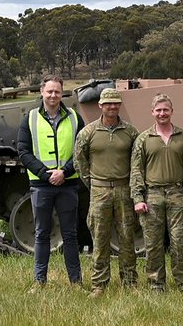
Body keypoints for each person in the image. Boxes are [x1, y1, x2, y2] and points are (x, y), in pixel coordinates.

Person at [16, 74, 84, 291]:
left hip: (68, 183)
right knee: (42, 234)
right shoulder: (30, 118)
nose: (53, 95)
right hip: (41, 185)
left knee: (70, 235)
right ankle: (39, 282)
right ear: (42, 92)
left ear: (62, 92)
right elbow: (23, 151)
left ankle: (76, 282)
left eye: (57, 91)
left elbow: (81, 150)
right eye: (49, 91)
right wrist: (46, 174)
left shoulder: (74, 117)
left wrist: (64, 172)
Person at [73, 87, 139, 296]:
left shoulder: (130, 132)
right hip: (99, 190)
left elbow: (137, 163)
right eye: (108, 103)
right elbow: (79, 161)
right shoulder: (88, 132)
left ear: (120, 105)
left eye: (115, 103)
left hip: (124, 188)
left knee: (127, 238)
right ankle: (99, 284)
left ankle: (130, 282)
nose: (112, 107)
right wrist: (93, 183)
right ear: (100, 106)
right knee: (100, 239)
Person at [130, 93, 183, 291]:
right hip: (152, 195)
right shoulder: (143, 139)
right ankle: (155, 284)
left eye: (166, 109)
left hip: (176, 194)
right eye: (158, 110)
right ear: (152, 112)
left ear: (172, 111)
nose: (162, 113)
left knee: (180, 242)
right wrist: (138, 198)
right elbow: (136, 171)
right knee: (153, 245)